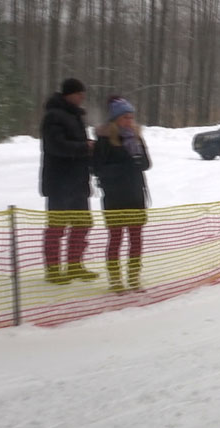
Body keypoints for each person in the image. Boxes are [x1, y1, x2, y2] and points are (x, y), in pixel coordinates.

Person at [39, 78, 98, 284]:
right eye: (79, 94)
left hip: (78, 181)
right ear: (68, 94)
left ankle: (74, 265)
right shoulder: (54, 116)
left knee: (82, 224)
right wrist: (85, 148)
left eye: (83, 94)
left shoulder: (75, 117)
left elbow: (76, 145)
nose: (82, 98)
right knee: (57, 227)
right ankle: (53, 269)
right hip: (59, 182)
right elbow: (56, 146)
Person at [93, 96, 152, 292]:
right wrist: (125, 167)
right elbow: (97, 168)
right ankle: (115, 279)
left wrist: (137, 162)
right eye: (125, 117)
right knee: (116, 239)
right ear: (116, 119)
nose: (129, 121)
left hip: (136, 194)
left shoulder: (136, 137)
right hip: (115, 197)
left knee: (136, 239)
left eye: (131, 117)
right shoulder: (104, 139)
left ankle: (134, 277)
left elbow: (146, 163)